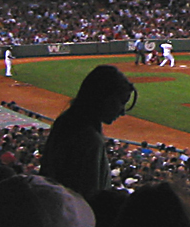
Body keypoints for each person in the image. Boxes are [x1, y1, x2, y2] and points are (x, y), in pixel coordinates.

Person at [40, 63, 137, 201]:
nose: (122, 111)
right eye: (120, 102)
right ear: (103, 99)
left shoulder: (67, 122)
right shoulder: (88, 138)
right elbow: (88, 198)